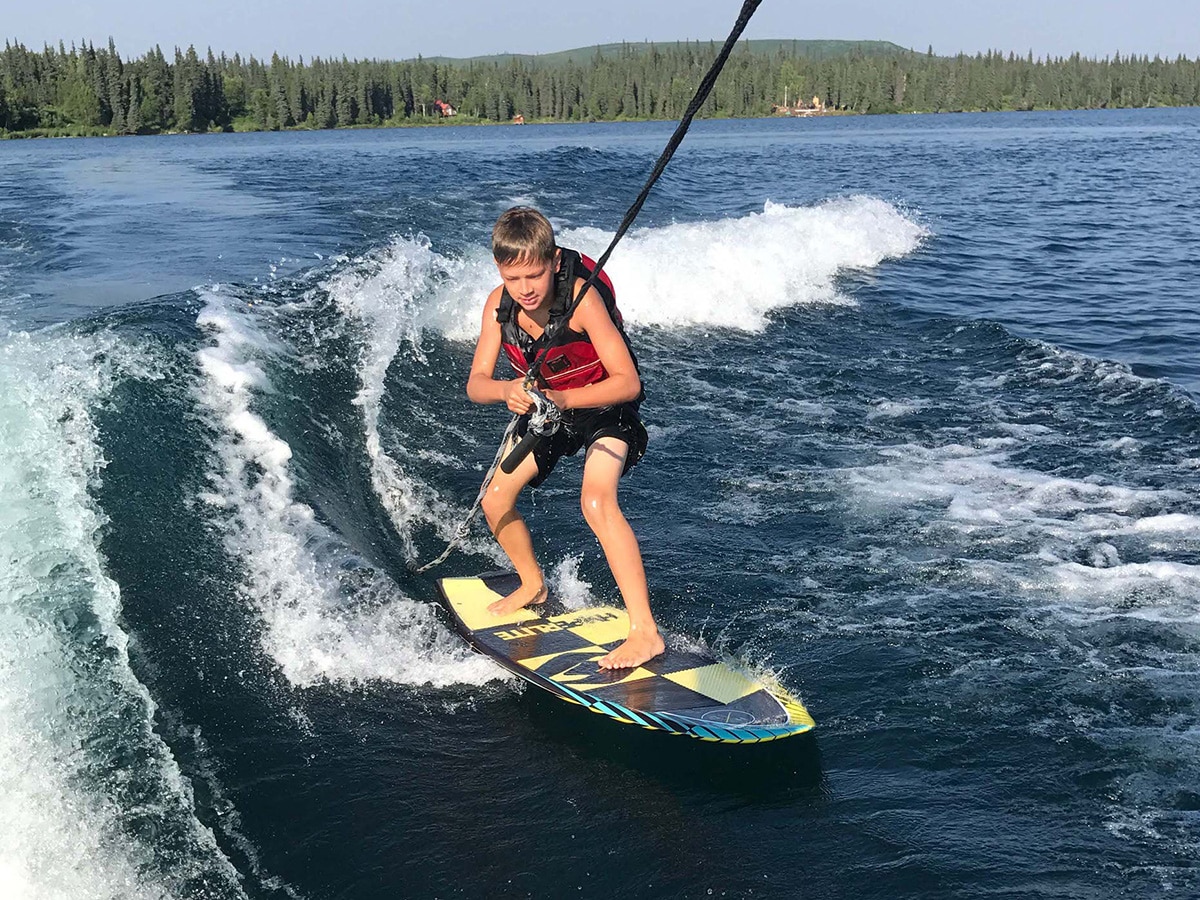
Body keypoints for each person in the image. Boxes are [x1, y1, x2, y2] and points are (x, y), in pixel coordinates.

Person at [466, 207, 665, 669]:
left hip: (605, 408)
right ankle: (533, 583)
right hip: (547, 411)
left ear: (554, 261)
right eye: (514, 279)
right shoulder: (499, 305)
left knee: (596, 500)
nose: (526, 289)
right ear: (500, 271)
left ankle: (645, 633)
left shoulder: (583, 300)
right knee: (495, 499)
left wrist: (561, 396)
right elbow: (476, 383)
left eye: (535, 274)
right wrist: (506, 390)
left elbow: (628, 382)